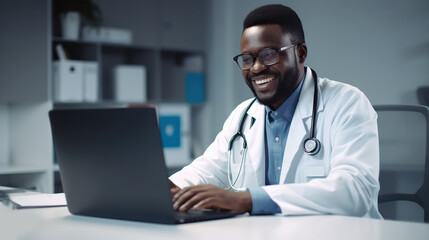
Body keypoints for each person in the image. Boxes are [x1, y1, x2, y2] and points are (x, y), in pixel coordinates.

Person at [169, 4, 382, 218]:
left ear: (300, 53)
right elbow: (206, 170)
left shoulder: (347, 103)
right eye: (247, 59)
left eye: (269, 55)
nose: (256, 68)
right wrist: (166, 189)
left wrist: (247, 200)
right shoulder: (243, 116)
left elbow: (356, 190)